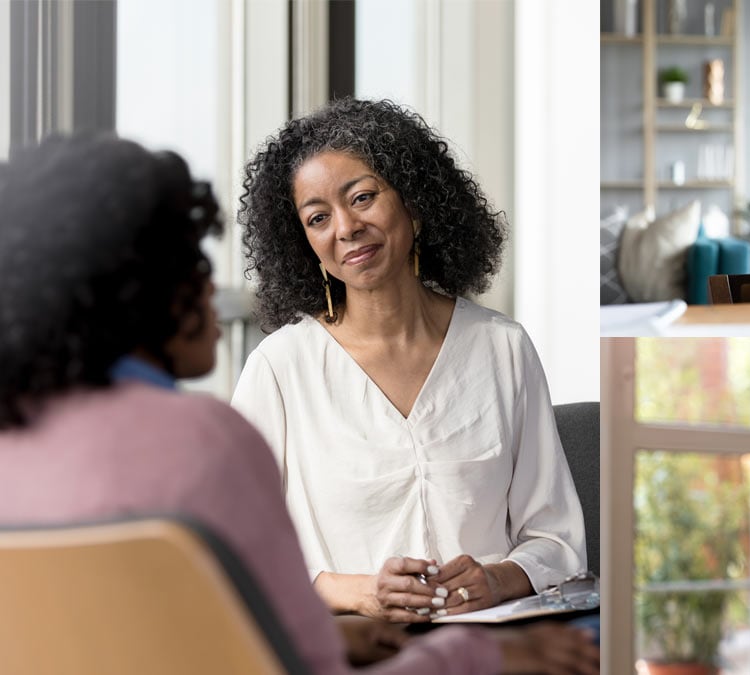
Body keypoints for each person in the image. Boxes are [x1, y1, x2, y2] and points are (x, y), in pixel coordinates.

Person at [0, 134, 599, 675]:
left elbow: (236, 628)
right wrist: (483, 655)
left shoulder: (14, 454)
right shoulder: (213, 431)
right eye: (193, 265)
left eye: (363, 197)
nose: (213, 287)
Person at [232, 98, 586, 623]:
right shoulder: (280, 369)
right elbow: (238, 553)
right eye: (318, 217)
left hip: (493, 647)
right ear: (303, 242)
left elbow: (555, 539)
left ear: (415, 204)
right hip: (356, 651)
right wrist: (358, 592)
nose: (347, 227)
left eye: (364, 197)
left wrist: (498, 578)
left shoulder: (502, 348)